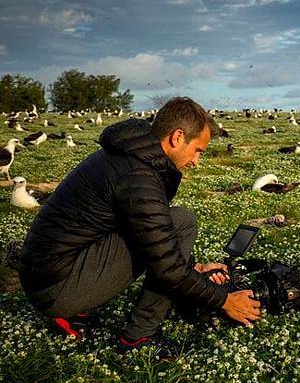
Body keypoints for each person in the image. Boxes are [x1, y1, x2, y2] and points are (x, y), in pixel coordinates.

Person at [18, 97, 260, 357]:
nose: (196, 161)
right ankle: (138, 337)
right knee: (182, 222)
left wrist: (193, 268)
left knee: (175, 224)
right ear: (177, 137)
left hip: (48, 273)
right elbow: (166, 266)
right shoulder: (138, 176)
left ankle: (75, 307)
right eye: (198, 150)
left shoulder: (130, 156)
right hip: (56, 287)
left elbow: (148, 234)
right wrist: (225, 300)